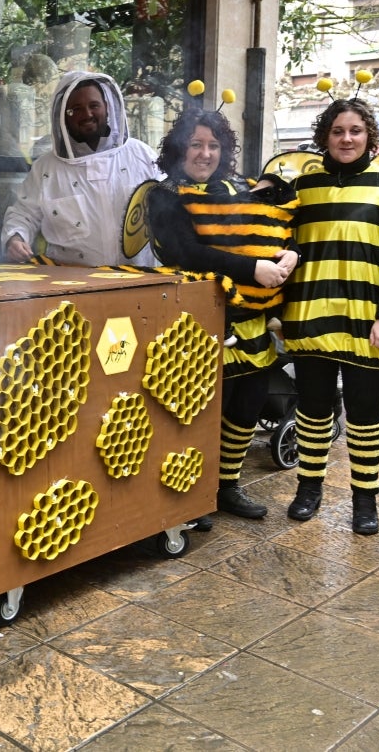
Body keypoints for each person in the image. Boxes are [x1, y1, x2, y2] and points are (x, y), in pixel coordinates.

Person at [145, 107, 298, 520]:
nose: (205, 154)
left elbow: (272, 225)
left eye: (213, 145)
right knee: (199, 415)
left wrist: (289, 253)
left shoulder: (237, 189)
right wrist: (253, 269)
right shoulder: (162, 195)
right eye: (196, 144)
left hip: (249, 323)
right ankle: (189, 497)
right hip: (194, 321)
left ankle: (227, 487)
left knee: (246, 409)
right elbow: (184, 251)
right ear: (179, 149)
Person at [281, 98, 379, 535]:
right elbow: (283, 247)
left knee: (364, 414)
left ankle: (365, 498)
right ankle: (309, 488)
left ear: (369, 137)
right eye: (338, 130)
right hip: (309, 315)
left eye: (355, 130)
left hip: (369, 321)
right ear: (325, 136)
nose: (346, 138)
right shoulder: (303, 186)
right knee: (313, 409)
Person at [1, 71, 162, 266]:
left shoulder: (141, 155)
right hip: (71, 285)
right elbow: (23, 214)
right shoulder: (46, 168)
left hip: (137, 281)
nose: (87, 114)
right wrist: (15, 238)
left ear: (108, 107)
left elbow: (169, 204)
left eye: (94, 105)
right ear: (63, 116)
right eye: (76, 109)